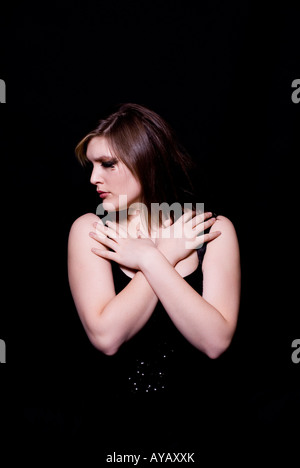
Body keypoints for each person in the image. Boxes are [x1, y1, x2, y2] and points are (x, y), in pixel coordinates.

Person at [67, 103, 241, 396]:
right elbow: (107, 338)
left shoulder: (213, 231)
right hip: (114, 427)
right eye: (92, 166)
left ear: (145, 160)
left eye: (108, 164)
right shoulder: (91, 231)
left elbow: (215, 342)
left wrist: (148, 257)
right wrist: (165, 254)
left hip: (201, 425)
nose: (93, 178)